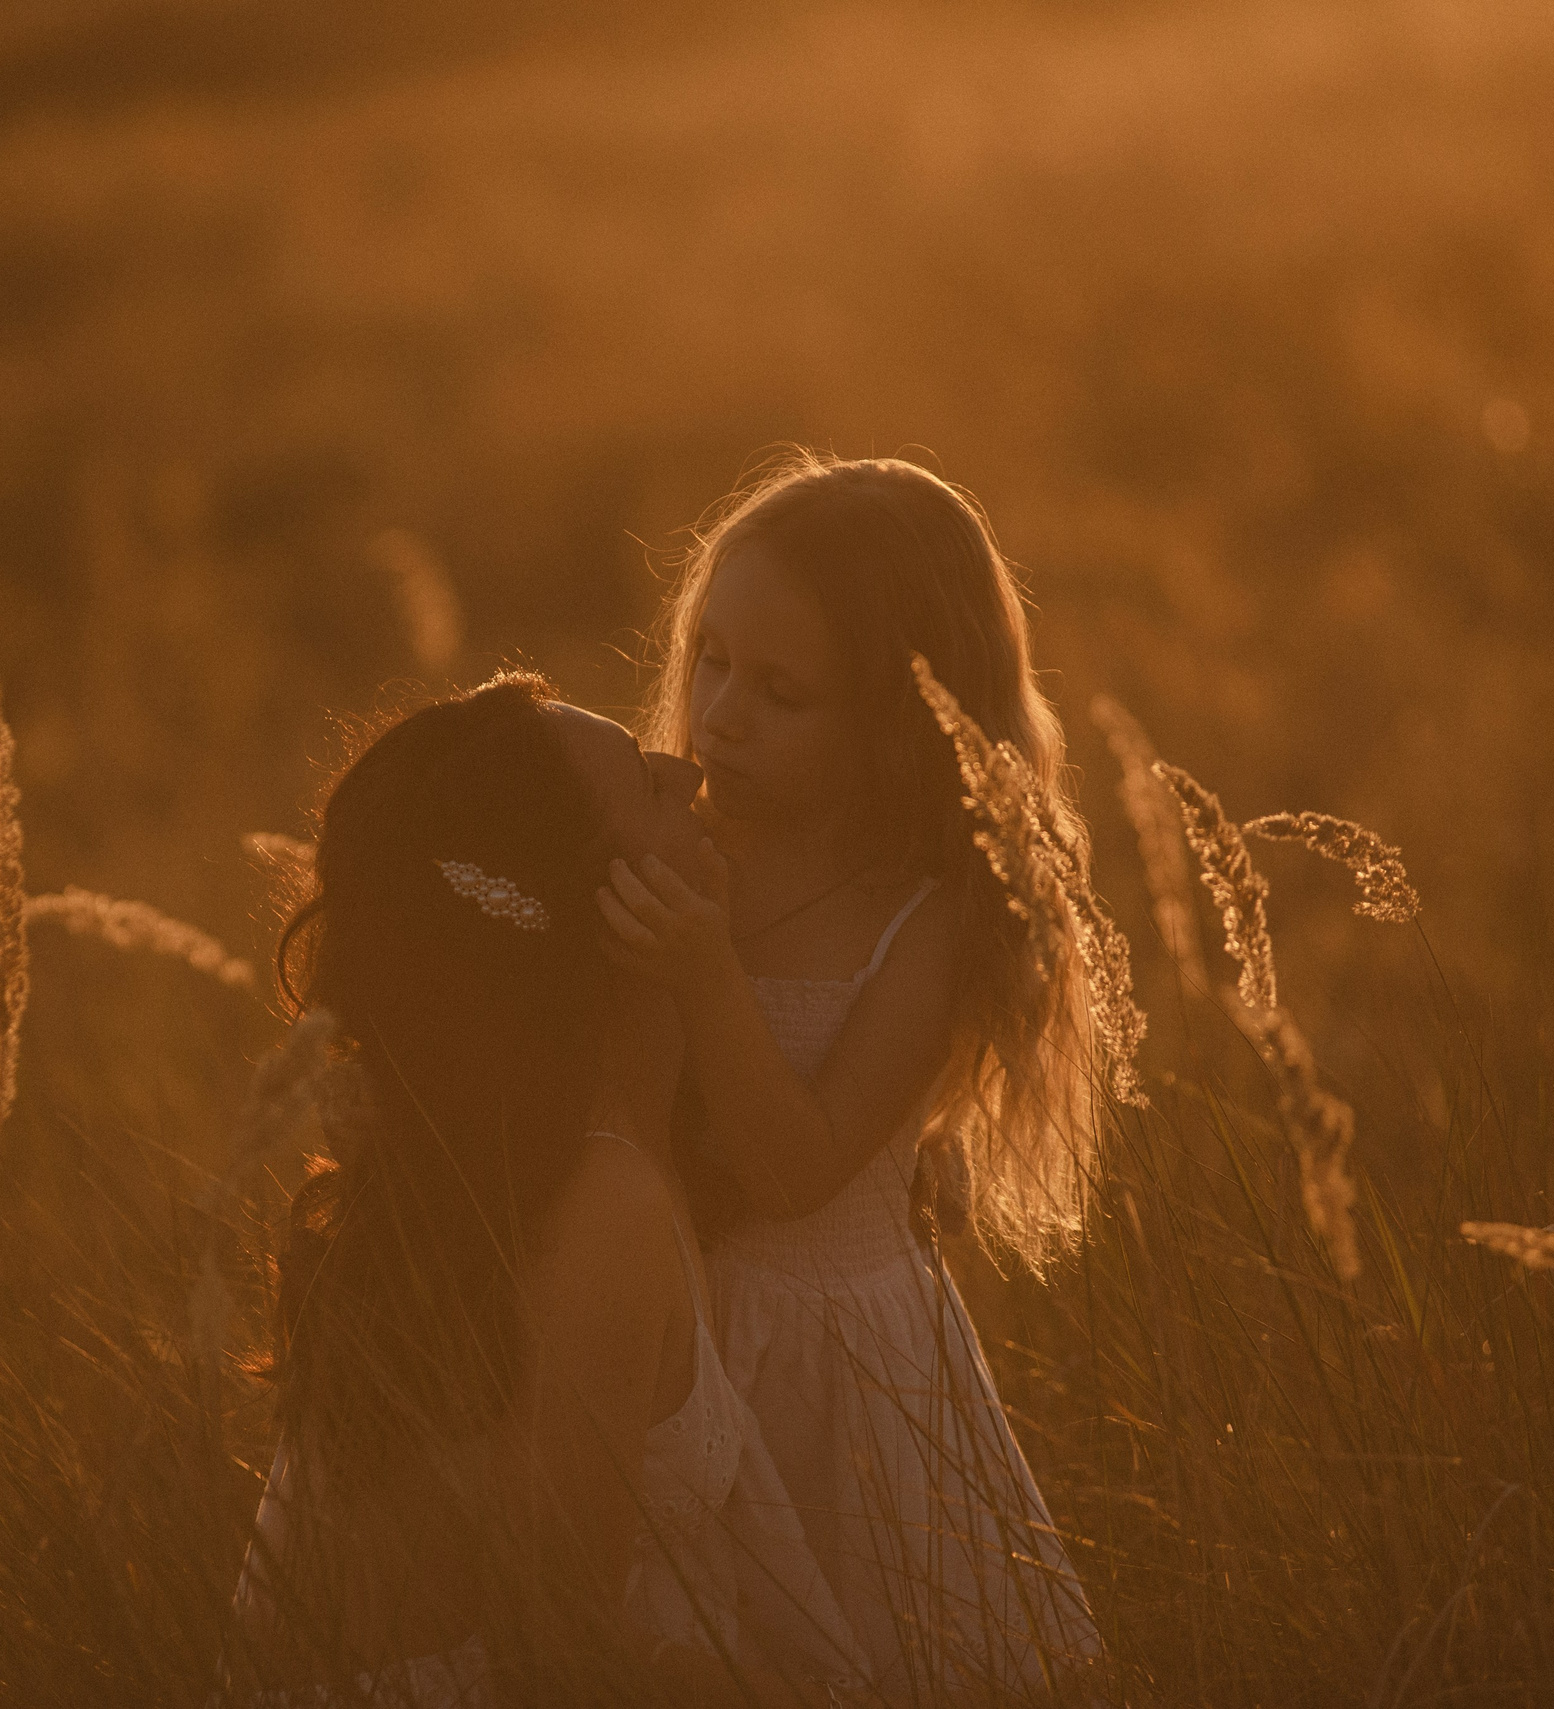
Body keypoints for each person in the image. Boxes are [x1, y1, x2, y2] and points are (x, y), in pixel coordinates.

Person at [217, 673, 866, 1708]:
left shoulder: (583, 1142)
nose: (686, 762)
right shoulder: (597, 1200)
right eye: (648, 790)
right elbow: (553, 1650)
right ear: (587, 910)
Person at [601, 454, 1113, 1703]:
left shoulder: (928, 921)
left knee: (862, 1654)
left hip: (837, 1365)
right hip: (670, 1340)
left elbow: (794, 1166)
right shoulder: (683, 834)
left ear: (901, 723)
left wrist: (704, 972)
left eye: (782, 692)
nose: (720, 713)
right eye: (711, 659)